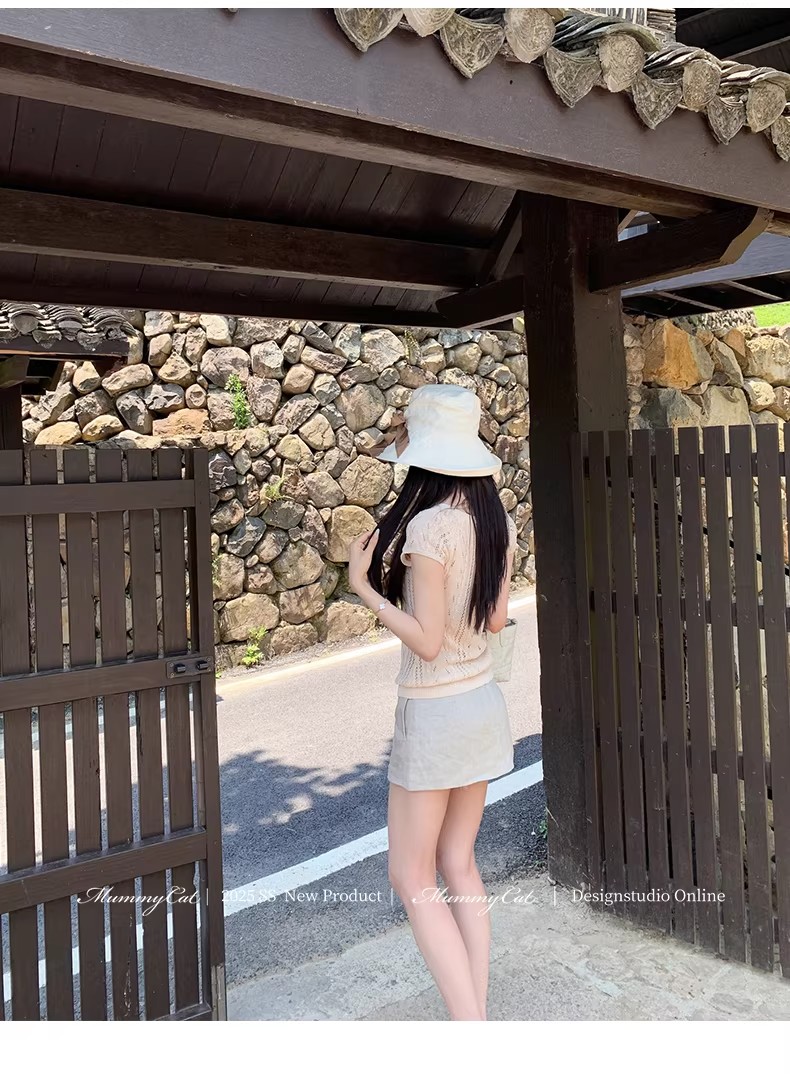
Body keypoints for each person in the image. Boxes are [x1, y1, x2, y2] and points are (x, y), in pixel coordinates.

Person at [347, 382, 517, 1021]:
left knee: (412, 876)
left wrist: (364, 588)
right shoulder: (496, 521)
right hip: (482, 705)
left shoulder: (427, 525)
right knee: (459, 863)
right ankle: (475, 1016)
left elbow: (426, 641)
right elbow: (495, 621)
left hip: (436, 713)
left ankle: (470, 1031)